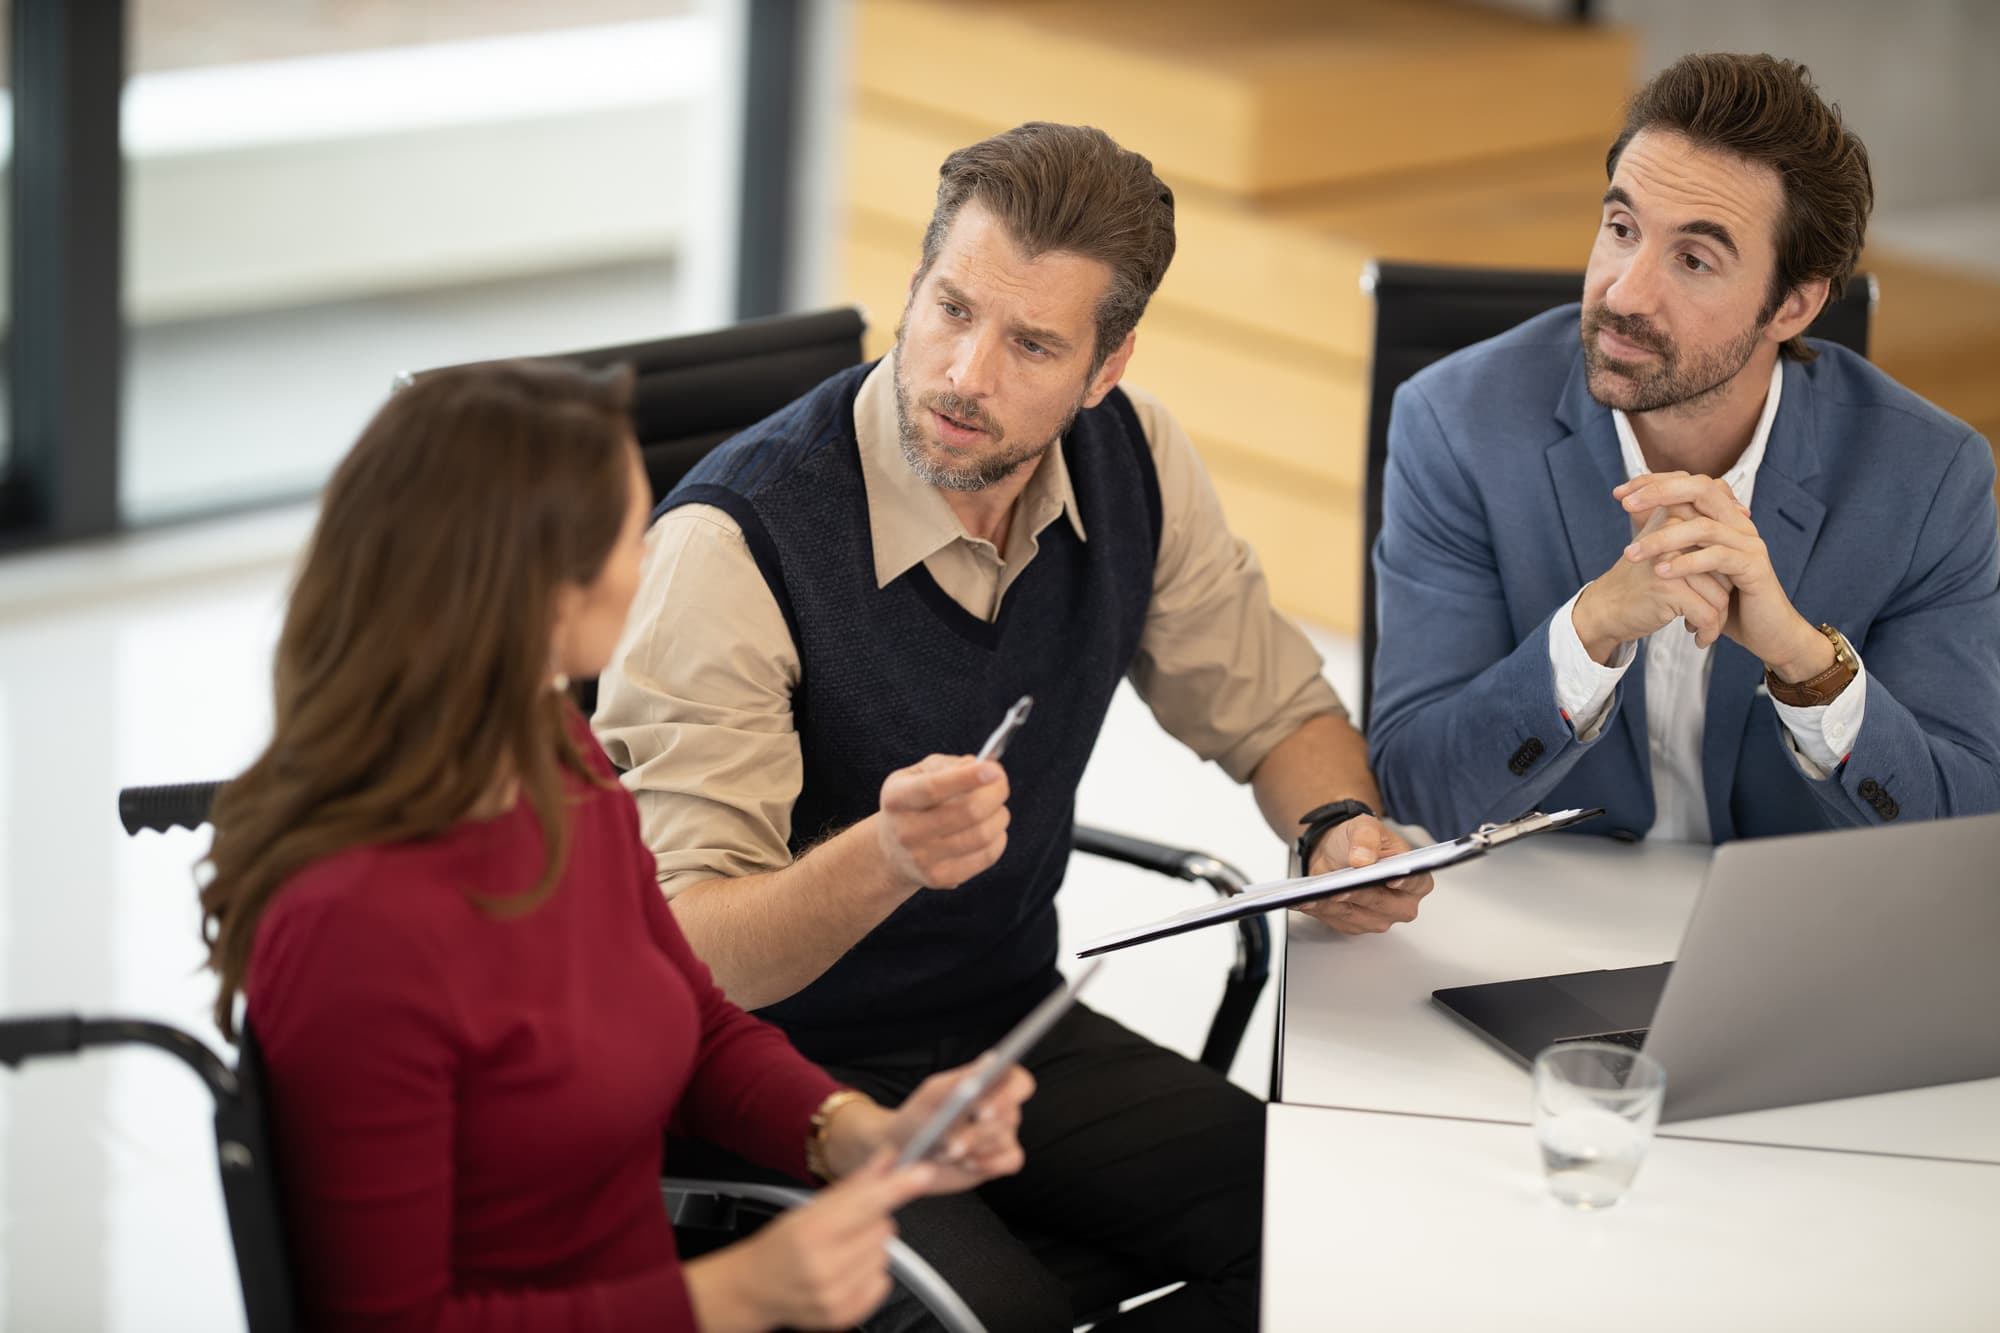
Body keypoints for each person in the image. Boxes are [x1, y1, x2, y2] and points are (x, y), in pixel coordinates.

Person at [593, 122, 1433, 1332]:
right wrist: (883, 858)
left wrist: (1337, 824)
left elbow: (1275, 706)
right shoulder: (730, 546)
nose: (964, 374)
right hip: (774, 1076)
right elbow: (689, 958)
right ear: (915, 283)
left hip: (1003, 1028)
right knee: (1002, 1313)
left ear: (1106, 366)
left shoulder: (1132, 458)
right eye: (949, 310)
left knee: (1341, 1236)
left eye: (1031, 343)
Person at [197, 361, 1033, 1332]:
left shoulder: (550, 752)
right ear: (545, 598)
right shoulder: (352, 928)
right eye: (630, 533)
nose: (647, 558)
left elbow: (693, 1019)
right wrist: (735, 1292)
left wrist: (853, 1132)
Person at [1369, 52, 2000, 844]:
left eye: (1694, 259)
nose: (1624, 291)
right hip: (1539, 903)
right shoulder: (1455, 423)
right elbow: (1414, 791)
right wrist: (1589, 629)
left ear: (1793, 305)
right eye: (1621, 229)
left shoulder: (1929, 478)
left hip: (1783, 913)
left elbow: (1965, 830)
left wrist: (1807, 665)